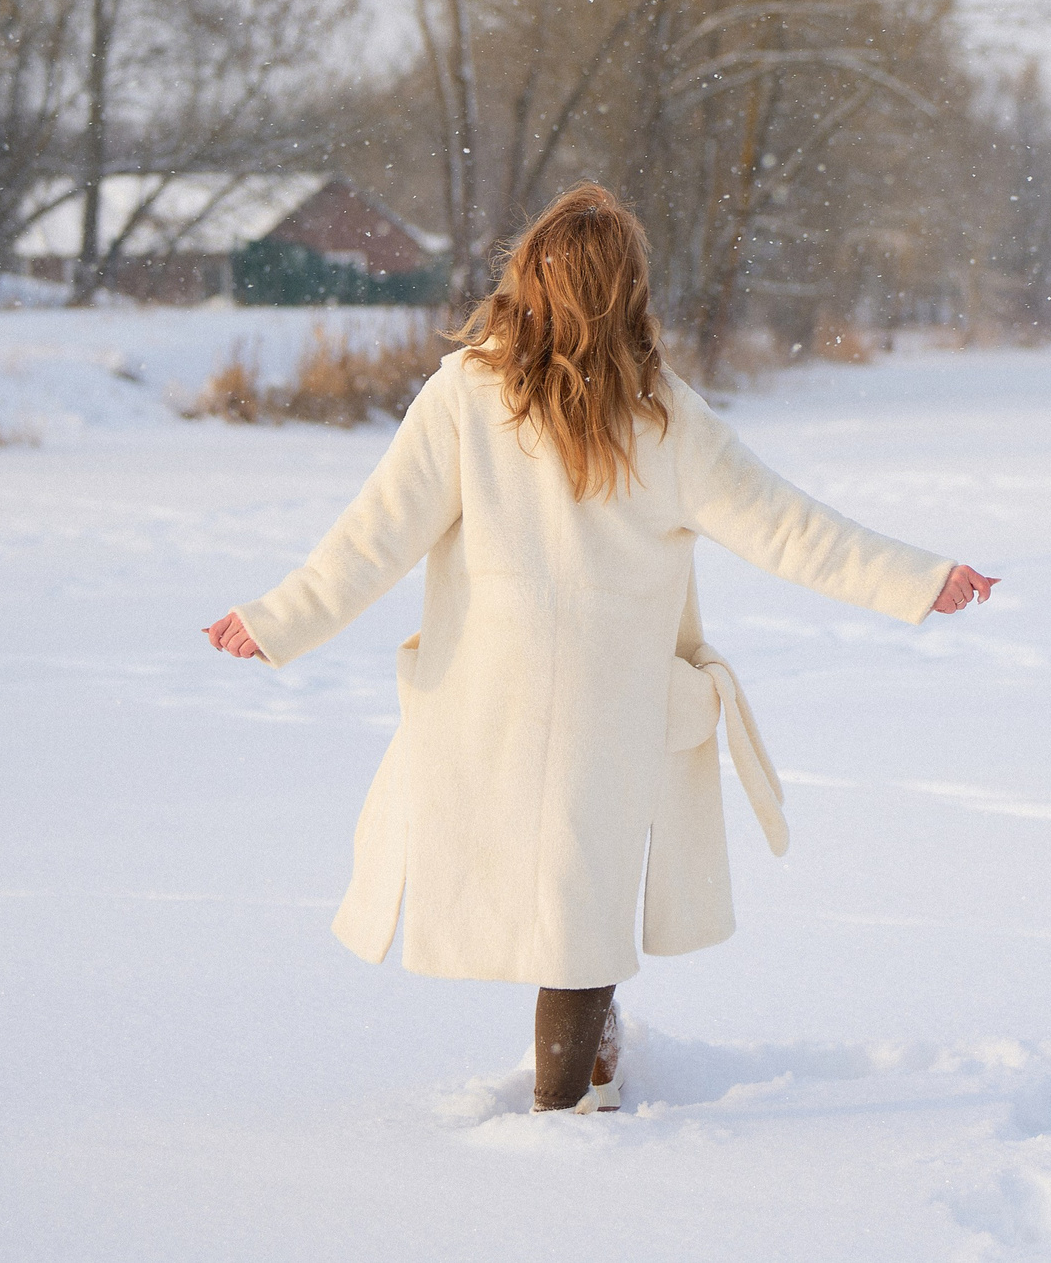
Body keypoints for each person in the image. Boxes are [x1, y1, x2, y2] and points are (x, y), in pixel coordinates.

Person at [202, 182, 996, 1113]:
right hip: (607, 716)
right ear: (628, 292)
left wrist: (279, 618)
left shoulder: (473, 395)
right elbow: (791, 528)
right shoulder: (663, 417)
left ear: (529, 278)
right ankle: (563, 1120)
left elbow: (374, 535)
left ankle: (581, 1093)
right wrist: (914, 578)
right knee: (580, 908)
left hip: (490, 702)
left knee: (573, 911)